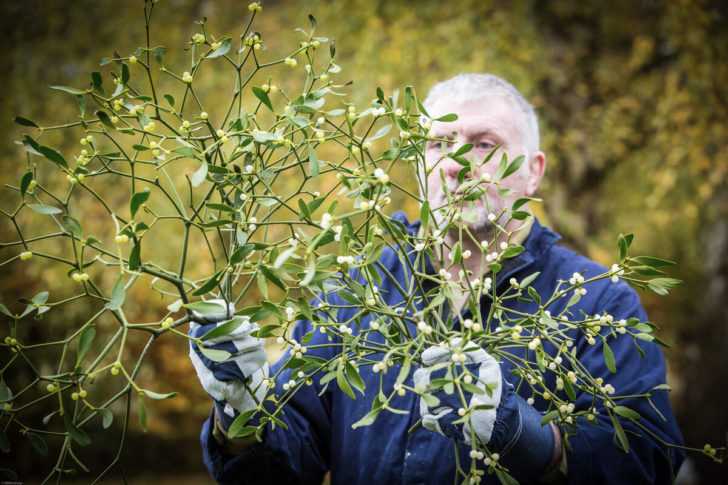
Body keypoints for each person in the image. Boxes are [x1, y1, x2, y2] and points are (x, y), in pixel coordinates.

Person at [188, 73, 685, 484]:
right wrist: (241, 417)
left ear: (533, 173)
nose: (454, 163)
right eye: (438, 143)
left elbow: (648, 462)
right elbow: (279, 470)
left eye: (484, 143)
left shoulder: (596, 301)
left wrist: (528, 439)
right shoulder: (354, 292)